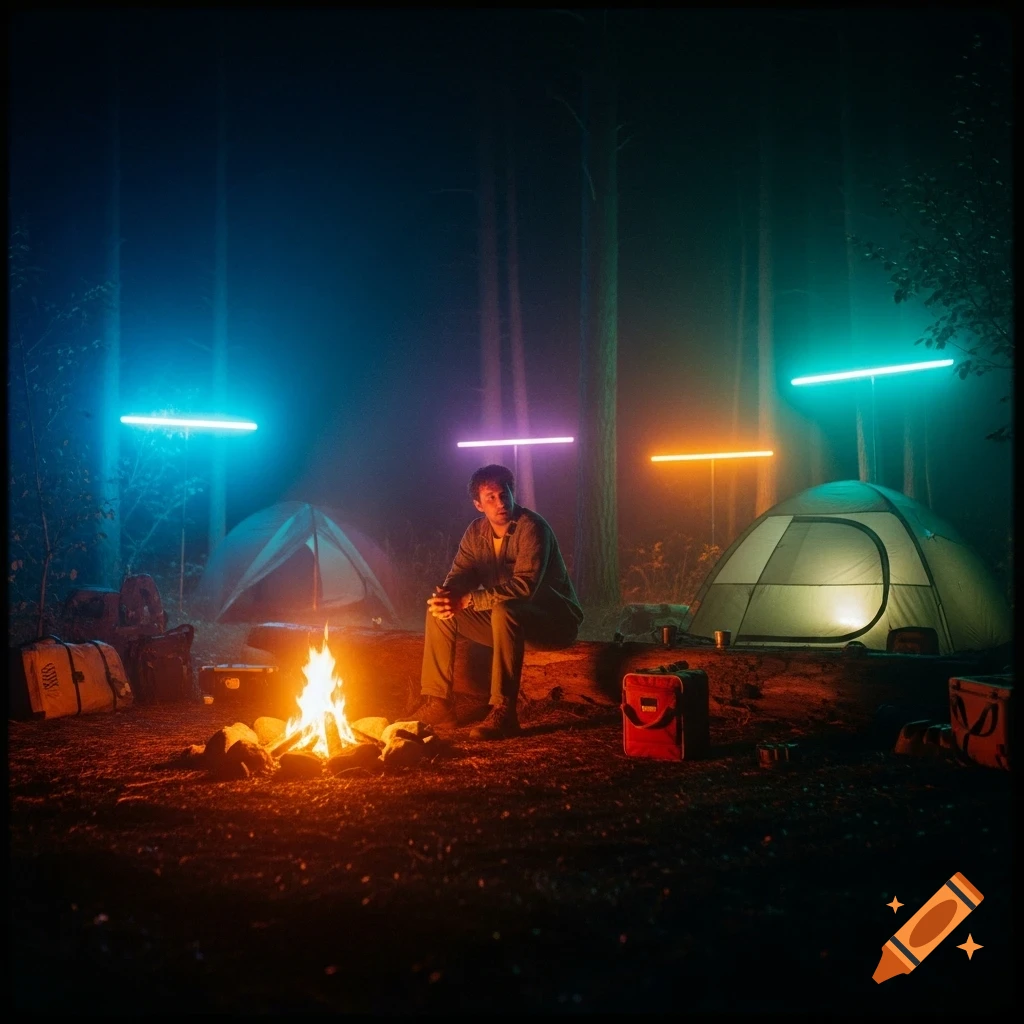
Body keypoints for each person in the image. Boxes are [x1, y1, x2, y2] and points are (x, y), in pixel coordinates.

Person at [412, 464, 584, 740]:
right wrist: (448, 595)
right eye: (490, 497)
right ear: (478, 504)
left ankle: (504, 711)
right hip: (506, 624)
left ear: (512, 494)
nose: (500, 502)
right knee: (438, 612)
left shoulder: (532, 527)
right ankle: (439, 703)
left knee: (505, 609)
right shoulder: (475, 532)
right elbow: (461, 575)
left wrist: (469, 599)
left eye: (504, 494)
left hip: (552, 622)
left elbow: (525, 586)